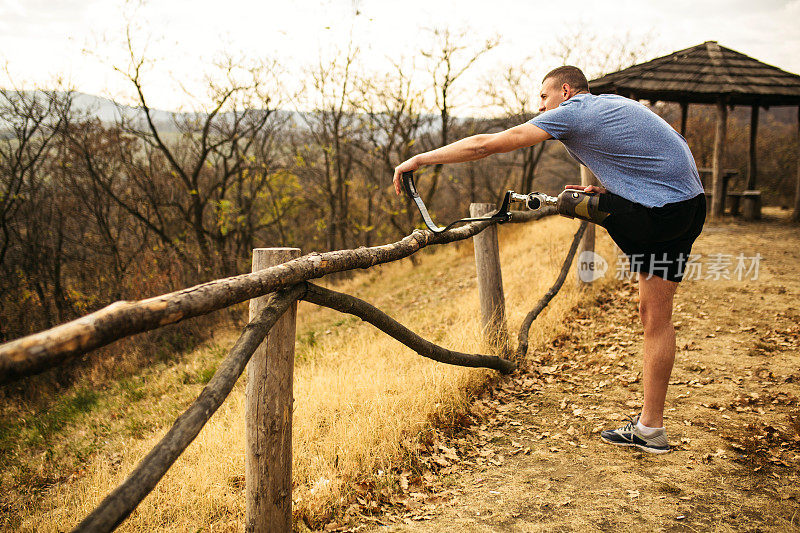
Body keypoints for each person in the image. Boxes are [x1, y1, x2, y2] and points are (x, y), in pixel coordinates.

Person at [392, 65, 706, 454]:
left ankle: (650, 427)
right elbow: (660, 147)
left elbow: (486, 144)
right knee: (655, 316)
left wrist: (420, 160)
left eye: (544, 96)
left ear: (567, 91)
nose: (540, 105)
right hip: (689, 207)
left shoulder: (574, 111)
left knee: (572, 202)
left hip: (659, 215)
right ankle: (651, 429)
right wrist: (614, 191)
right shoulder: (608, 106)